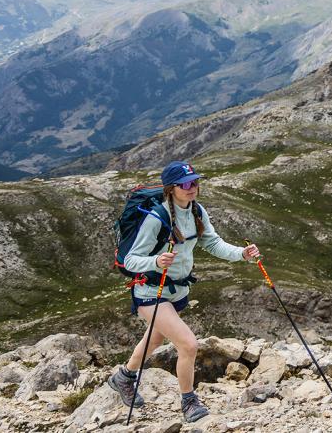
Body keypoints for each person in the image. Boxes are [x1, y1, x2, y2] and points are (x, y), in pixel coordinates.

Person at [106, 161, 259, 423]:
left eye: (195, 182)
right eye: (185, 184)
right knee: (188, 344)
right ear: (171, 189)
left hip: (177, 291)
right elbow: (130, 261)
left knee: (154, 340)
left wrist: (241, 254)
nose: (192, 187)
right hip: (150, 290)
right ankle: (189, 402)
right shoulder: (157, 217)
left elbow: (212, 243)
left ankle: (124, 377)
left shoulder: (197, 210)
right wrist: (155, 261)